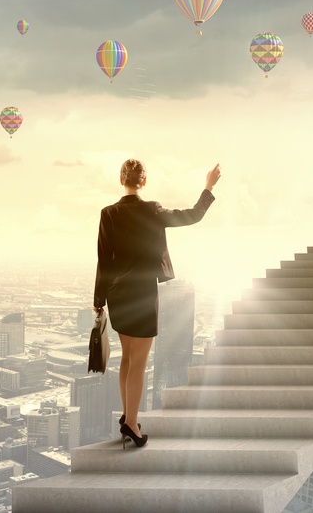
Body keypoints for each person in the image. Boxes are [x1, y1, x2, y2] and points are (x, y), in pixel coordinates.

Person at [93, 158, 221, 448]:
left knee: (127, 358)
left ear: (121, 179)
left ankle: (128, 416)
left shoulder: (108, 213)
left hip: (117, 295)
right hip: (142, 293)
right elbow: (191, 216)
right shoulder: (151, 210)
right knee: (138, 363)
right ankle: (132, 426)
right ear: (144, 182)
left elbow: (103, 258)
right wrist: (208, 188)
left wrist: (98, 299)